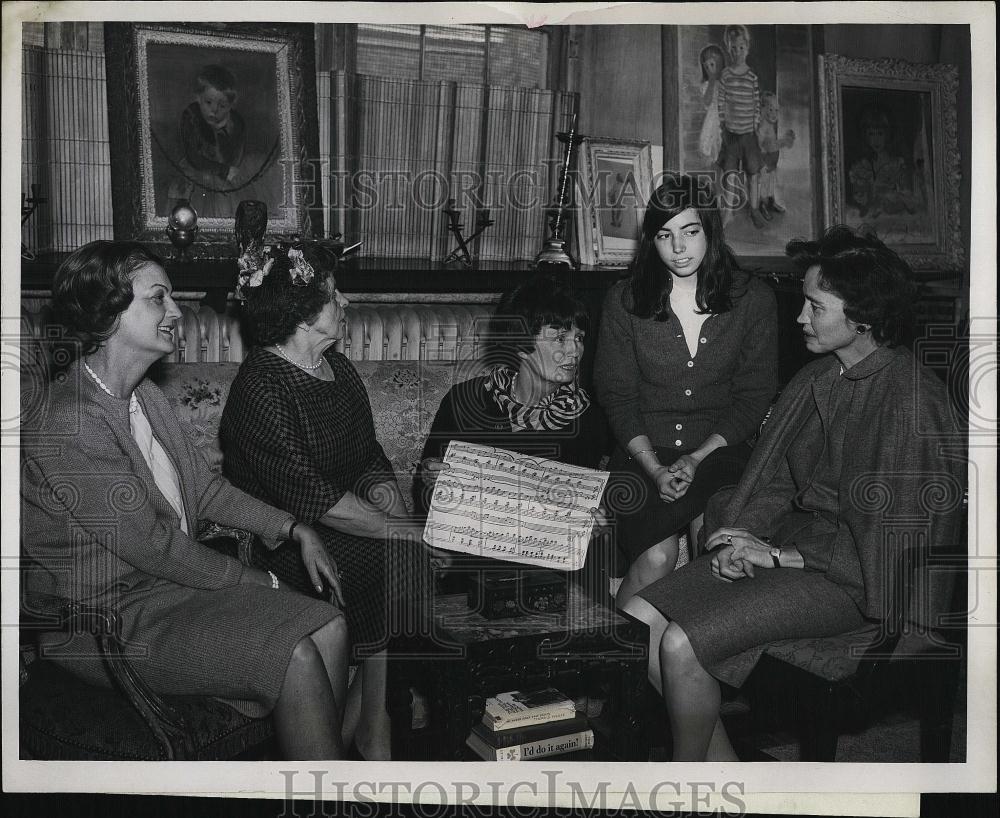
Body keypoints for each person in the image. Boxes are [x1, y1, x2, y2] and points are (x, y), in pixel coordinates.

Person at [625, 226, 964, 761]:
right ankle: (727, 776)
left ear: (864, 318)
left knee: (679, 640)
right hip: (800, 555)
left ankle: (688, 786)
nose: (800, 317)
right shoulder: (820, 377)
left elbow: (893, 550)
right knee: (637, 620)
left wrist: (779, 555)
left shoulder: (911, 401)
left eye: (815, 306)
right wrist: (737, 535)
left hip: (858, 582)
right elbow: (775, 480)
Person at [20, 240, 350, 760]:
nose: (176, 312)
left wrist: (292, 527)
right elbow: (156, 546)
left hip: (167, 592)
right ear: (107, 313)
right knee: (297, 654)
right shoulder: (70, 421)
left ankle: (321, 777)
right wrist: (259, 579)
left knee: (330, 625)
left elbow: (205, 489)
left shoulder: (145, 396)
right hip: (105, 619)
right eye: (158, 298)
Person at [220, 242, 431, 761]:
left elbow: (369, 460)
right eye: (335, 295)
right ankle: (356, 735)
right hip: (283, 540)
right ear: (303, 315)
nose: (345, 302)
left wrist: (401, 521)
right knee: (390, 555)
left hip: (340, 521)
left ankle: (373, 722)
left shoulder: (337, 367)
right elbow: (317, 499)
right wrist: (404, 532)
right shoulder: (261, 387)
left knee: (404, 557)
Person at [594, 174, 778, 610]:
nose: (678, 248)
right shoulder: (624, 300)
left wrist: (697, 457)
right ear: (651, 241)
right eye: (664, 235)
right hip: (642, 451)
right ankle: (616, 648)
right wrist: (655, 468)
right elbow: (618, 398)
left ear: (710, 231)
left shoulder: (753, 299)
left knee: (711, 545)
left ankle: (687, 641)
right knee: (657, 556)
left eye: (690, 231)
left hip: (721, 450)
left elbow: (753, 397)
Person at [414, 276, 611, 593]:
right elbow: (423, 497)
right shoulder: (466, 402)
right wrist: (431, 482)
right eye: (560, 338)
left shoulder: (587, 418)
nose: (574, 350)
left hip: (549, 568)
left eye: (579, 338)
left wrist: (596, 524)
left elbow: (590, 505)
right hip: (473, 562)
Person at [716, 24, 765, 228]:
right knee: (730, 173)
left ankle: (754, 209)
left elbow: (756, 103)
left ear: (747, 48)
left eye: (741, 48)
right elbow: (721, 101)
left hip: (748, 135)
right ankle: (728, 212)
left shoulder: (752, 77)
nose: (737, 52)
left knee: (753, 173)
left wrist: (755, 124)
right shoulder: (726, 75)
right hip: (731, 134)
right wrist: (722, 124)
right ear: (729, 49)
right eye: (733, 48)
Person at [847, 108, 920, 219]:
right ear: (865, 136)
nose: (876, 140)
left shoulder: (898, 165)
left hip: (895, 219)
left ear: (887, 134)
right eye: (871, 134)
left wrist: (893, 197)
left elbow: (910, 201)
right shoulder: (860, 167)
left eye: (880, 134)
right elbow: (859, 201)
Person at [755, 90, 795, 220]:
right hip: (765, 161)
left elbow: (772, 144)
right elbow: (767, 145)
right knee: (765, 183)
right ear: (762, 109)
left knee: (771, 181)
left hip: (771, 161)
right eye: (770, 109)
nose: (774, 114)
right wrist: (784, 142)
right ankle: (763, 205)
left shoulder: (770, 125)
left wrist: (784, 141)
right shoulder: (763, 127)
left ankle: (771, 201)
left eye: (776, 110)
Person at [697, 43, 726, 163]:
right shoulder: (707, 85)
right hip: (712, 119)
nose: (709, 69)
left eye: (712, 64)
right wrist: (712, 79)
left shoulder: (725, 82)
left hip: (725, 118)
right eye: (706, 66)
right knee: (711, 149)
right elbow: (706, 103)